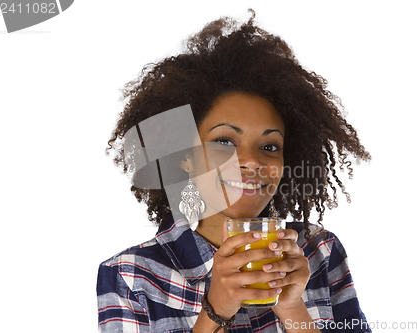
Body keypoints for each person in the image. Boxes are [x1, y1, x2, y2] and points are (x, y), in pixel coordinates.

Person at [97, 9, 372, 333]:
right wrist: (215, 311)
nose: (252, 161)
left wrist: (292, 308)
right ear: (185, 157)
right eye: (224, 141)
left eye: (269, 146)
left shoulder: (319, 252)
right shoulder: (132, 276)